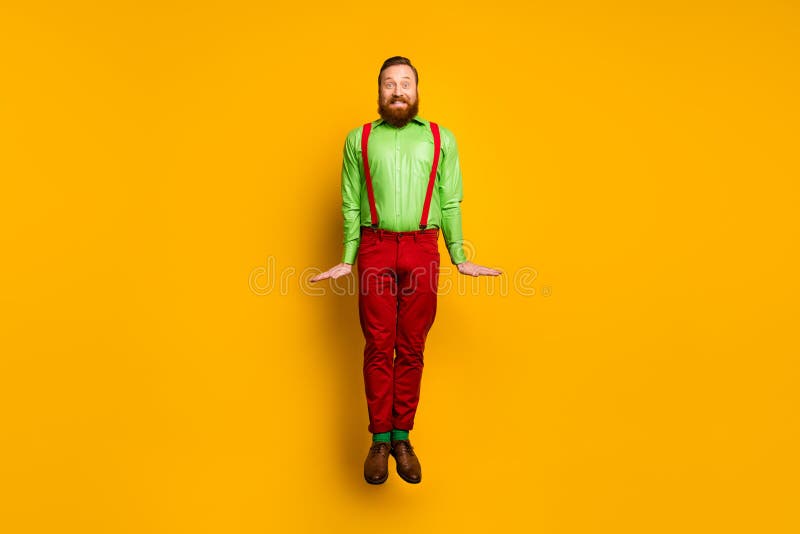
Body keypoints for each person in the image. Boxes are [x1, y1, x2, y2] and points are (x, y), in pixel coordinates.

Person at [311, 56, 500, 484]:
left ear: (417, 90)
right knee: (378, 345)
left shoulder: (440, 138)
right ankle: (379, 440)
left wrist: (459, 255)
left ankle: (402, 436)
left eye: (406, 83)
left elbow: (451, 200)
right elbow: (350, 201)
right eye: (389, 84)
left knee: (412, 346)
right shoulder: (358, 139)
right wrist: (346, 258)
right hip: (375, 247)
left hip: (422, 247)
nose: (398, 90)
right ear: (378, 92)